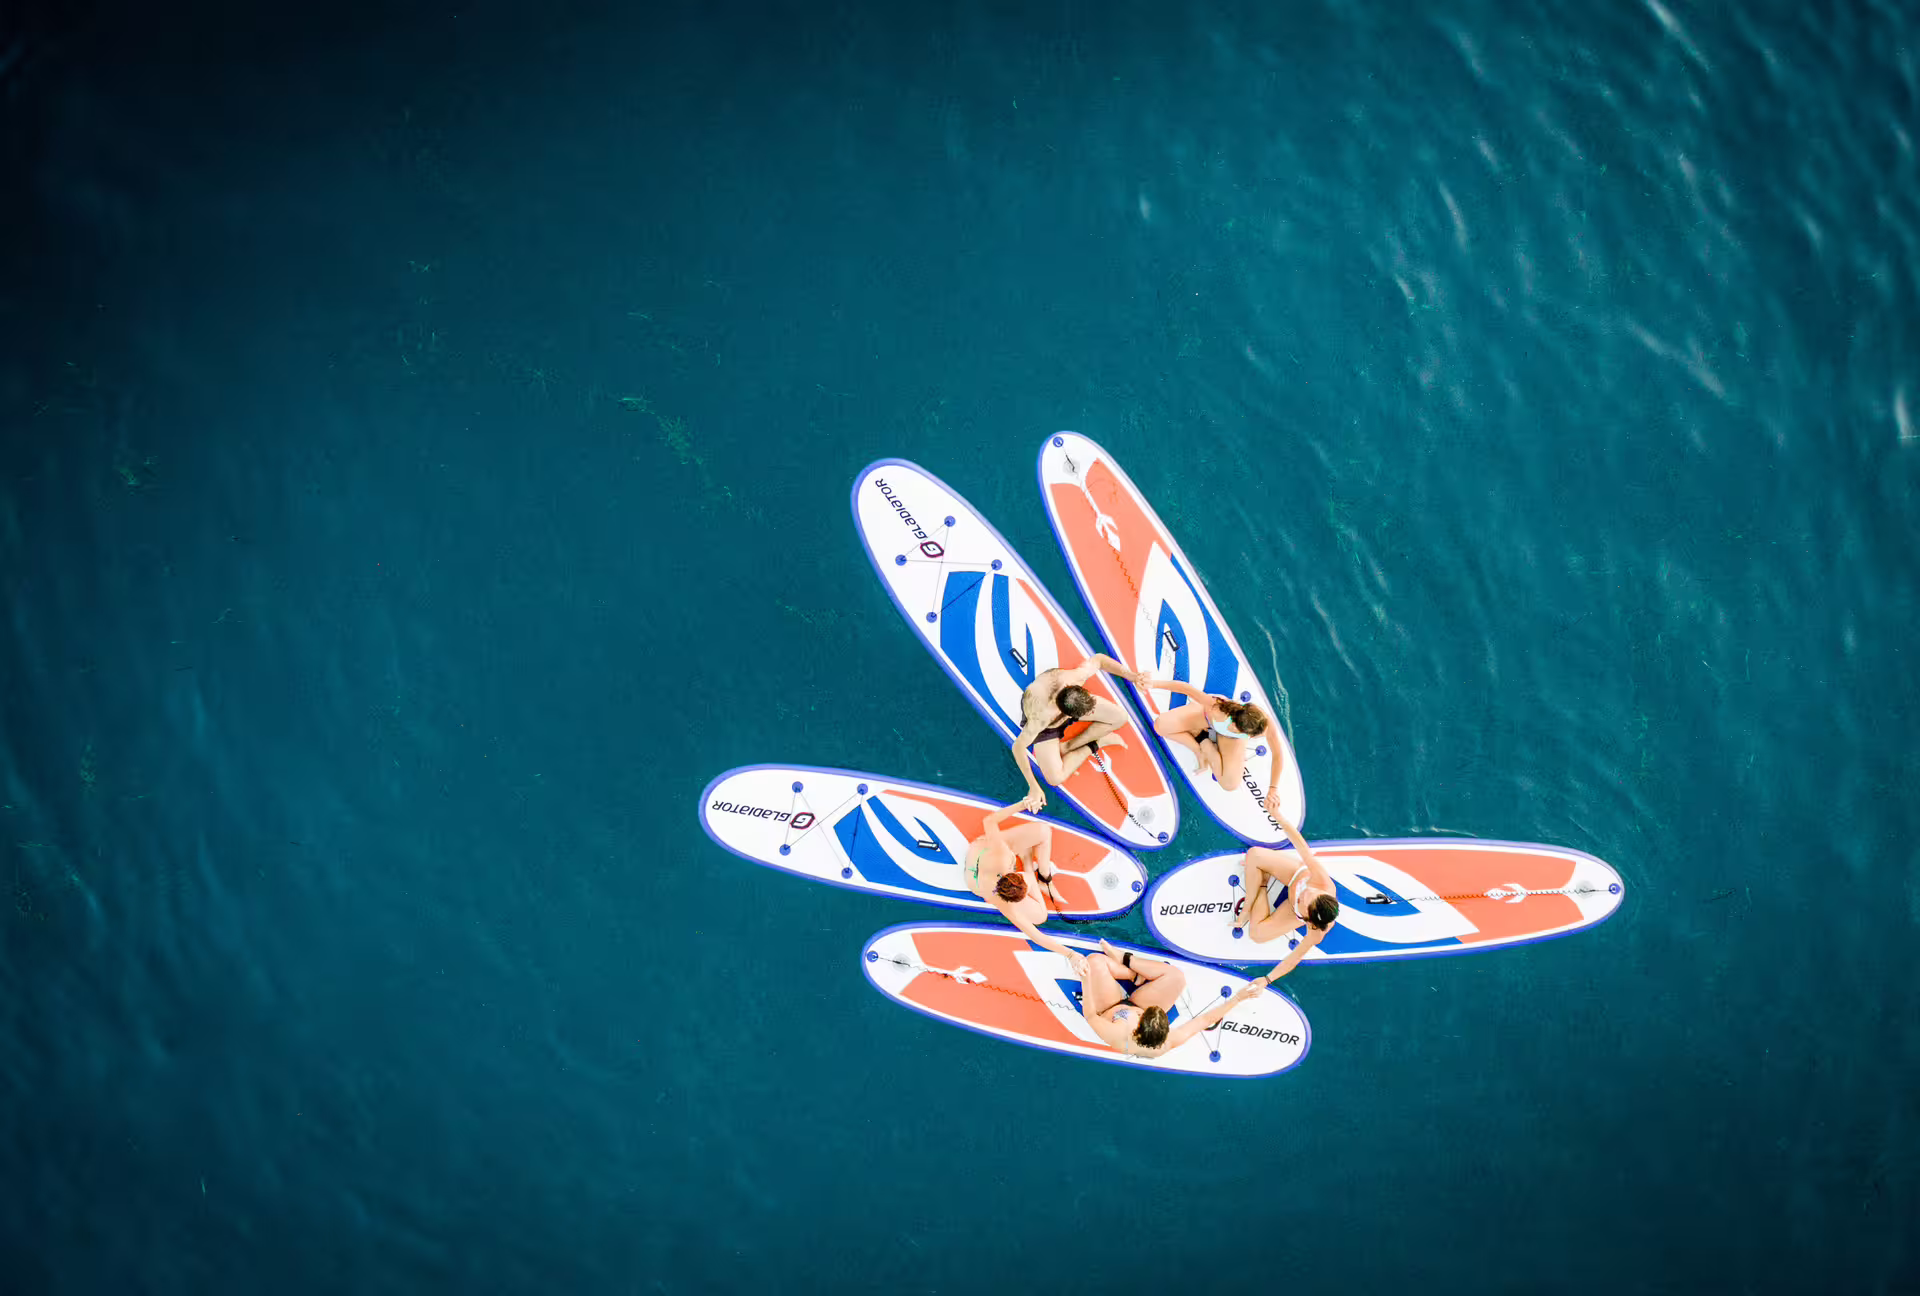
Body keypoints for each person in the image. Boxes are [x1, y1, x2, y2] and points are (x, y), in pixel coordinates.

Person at [1078, 938, 1268, 1059]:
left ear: (1139, 1026)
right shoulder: (1168, 1041)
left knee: (1094, 961)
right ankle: (1130, 968)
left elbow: (1090, 1016)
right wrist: (1238, 998)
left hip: (1111, 1008)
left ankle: (1131, 973)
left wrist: (1086, 978)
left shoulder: (1117, 1035)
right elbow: (1205, 1020)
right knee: (1176, 978)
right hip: (1136, 1004)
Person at [1011, 654, 1146, 812]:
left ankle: (1068, 746)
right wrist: (1033, 786)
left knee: (1120, 717)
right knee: (1055, 778)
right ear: (1070, 716)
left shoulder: (1075, 677)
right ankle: (1096, 744)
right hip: (1047, 726)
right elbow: (1018, 748)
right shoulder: (1039, 718)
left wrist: (1132, 676)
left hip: (1068, 703)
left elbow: (1099, 659)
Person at [963, 800, 1086, 972]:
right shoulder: (1002, 902)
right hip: (976, 879)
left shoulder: (1001, 854)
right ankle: (1029, 866)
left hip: (981, 850)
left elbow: (989, 821)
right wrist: (1071, 954)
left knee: (1043, 831)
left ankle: (1041, 876)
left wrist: (1024, 803)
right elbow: (1035, 934)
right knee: (1040, 917)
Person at [1144, 677, 1288, 815]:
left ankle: (1205, 743)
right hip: (1208, 719)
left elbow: (1278, 755)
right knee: (1160, 726)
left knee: (1229, 784)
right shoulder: (1218, 707)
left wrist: (1273, 788)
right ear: (1236, 725)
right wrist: (1152, 684)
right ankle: (1198, 743)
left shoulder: (1264, 726)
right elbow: (1186, 689)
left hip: (1231, 739)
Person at [1236, 811, 1341, 982]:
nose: (1305, 893)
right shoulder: (1322, 882)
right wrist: (1277, 815)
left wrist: (1267, 979)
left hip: (1291, 911)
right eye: (1311, 893)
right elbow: (1301, 846)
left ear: (1309, 921)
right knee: (1254, 855)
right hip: (1294, 875)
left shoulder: (1315, 932)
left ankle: (1263, 882)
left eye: (1303, 901)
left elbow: (1294, 958)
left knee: (1257, 934)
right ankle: (1254, 896)